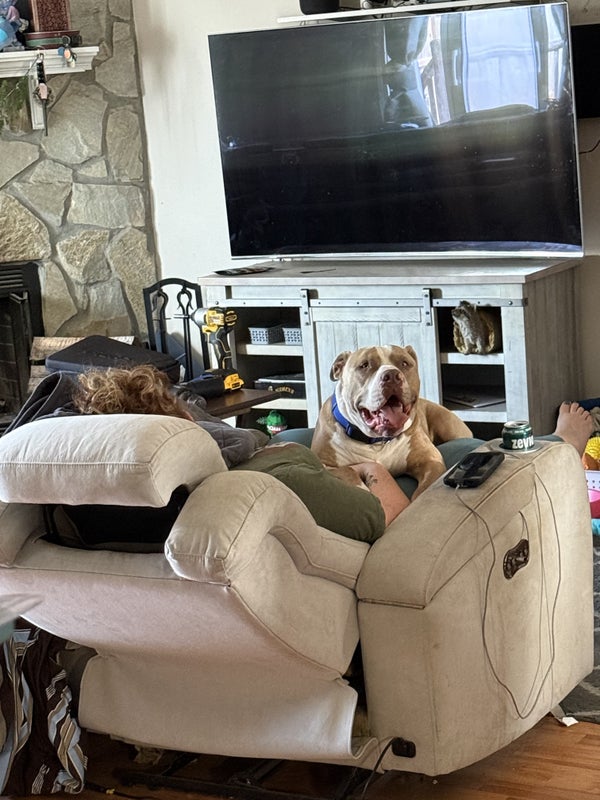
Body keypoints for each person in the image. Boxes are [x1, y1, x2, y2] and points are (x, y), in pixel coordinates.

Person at [69, 365, 594, 543]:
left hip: (279, 452)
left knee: (313, 428)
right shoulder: (271, 481)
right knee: (469, 453)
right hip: (366, 497)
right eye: (185, 411)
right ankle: (562, 446)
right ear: (182, 427)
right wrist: (370, 470)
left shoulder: (96, 509)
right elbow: (393, 524)